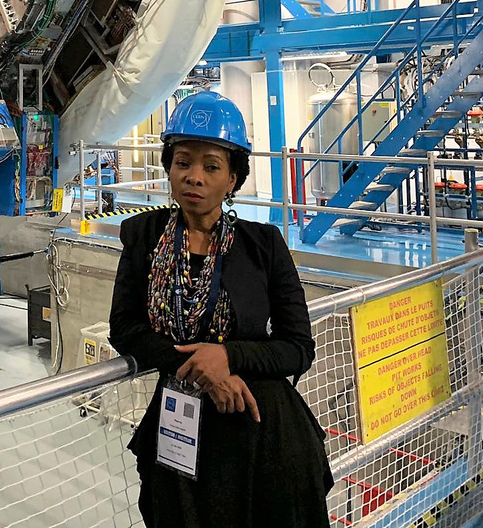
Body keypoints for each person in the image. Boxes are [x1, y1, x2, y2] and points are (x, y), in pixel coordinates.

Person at [109, 91, 333, 527]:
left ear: (233, 179)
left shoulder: (263, 245)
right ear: (169, 168)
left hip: (264, 432)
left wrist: (228, 357)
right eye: (183, 162)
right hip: (183, 429)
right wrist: (203, 371)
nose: (194, 176)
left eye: (211, 166)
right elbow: (126, 328)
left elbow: (298, 347)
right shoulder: (142, 236)